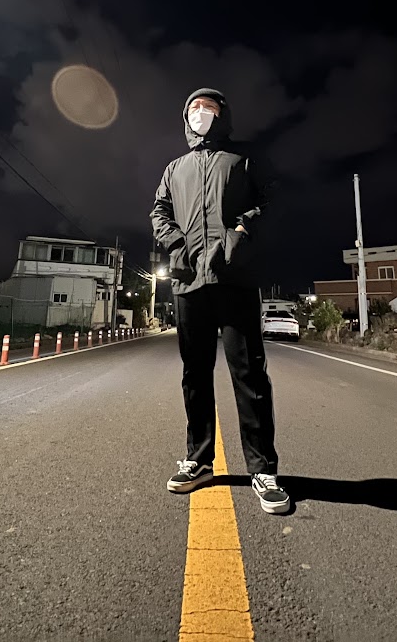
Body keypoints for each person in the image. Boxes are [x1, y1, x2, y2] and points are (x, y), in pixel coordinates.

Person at [150, 88, 290, 515]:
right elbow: (159, 212)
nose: (200, 113)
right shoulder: (174, 169)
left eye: (208, 107)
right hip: (189, 281)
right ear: (185, 119)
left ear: (222, 115)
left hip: (235, 278)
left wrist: (242, 232)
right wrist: (179, 245)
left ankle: (263, 470)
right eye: (193, 108)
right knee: (195, 374)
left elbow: (272, 200)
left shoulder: (244, 160)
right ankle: (199, 460)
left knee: (248, 374)